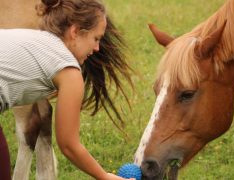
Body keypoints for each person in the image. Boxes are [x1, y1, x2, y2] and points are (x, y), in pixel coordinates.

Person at [0, 0, 134, 179]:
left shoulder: (34, 39)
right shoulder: (68, 70)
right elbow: (69, 145)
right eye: (96, 38)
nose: (97, 48)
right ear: (75, 32)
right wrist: (105, 176)